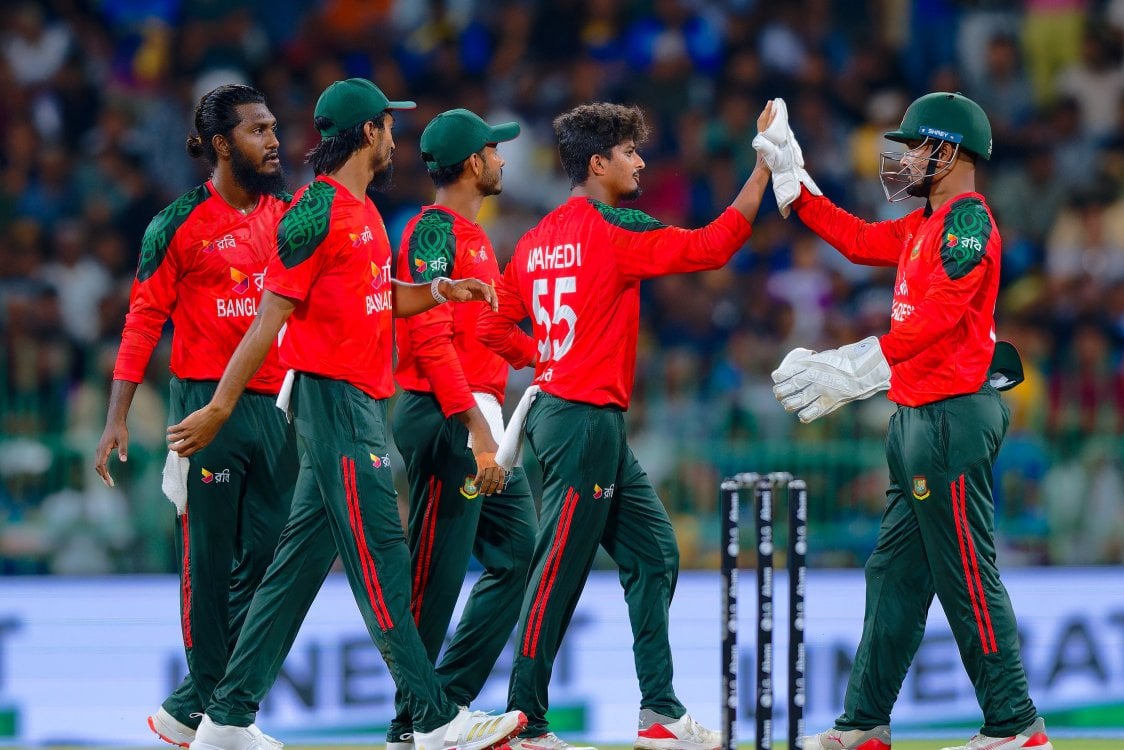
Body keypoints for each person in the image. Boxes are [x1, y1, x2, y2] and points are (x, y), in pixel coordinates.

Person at [164, 78, 526, 750]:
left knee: (296, 569)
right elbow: (268, 318)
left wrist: (440, 289)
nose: (395, 139)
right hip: (334, 402)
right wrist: (218, 407)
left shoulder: (362, 213)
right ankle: (434, 718)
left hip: (358, 401)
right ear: (368, 132)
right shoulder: (315, 213)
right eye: (389, 126)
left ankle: (225, 717)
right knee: (383, 560)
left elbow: (377, 299)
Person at [758, 93, 1053, 750]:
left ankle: (1015, 727)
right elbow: (858, 239)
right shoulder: (924, 224)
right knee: (893, 575)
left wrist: (858, 368)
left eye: (918, 146)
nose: (907, 159)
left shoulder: (967, 221)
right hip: (918, 417)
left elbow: (942, 315)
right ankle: (864, 724)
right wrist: (795, 184)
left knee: (966, 572)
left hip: (951, 416)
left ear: (949, 151)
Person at [476, 101, 773, 750]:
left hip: (571, 414)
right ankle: (524, 723)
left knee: (655, 553)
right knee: (557, 569)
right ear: (597, 163)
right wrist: (761, 172)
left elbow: (490, 324)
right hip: (582, 420)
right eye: (629, 152)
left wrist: (542, 359)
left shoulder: (535, 238)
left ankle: (659, 713)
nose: (640, 162)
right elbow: (712, 247)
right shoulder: (614, 228)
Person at [94, 83, 296, 748]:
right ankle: (219, 717)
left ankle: (192, 707)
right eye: (258, 130)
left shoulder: (289, 216)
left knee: (272, 556)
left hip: (278, 404)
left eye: (273, 128)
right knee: (206, 562)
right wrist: (117, 416)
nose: (274, 141)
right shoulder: (175, 223)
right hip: (204, 409)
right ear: (220, 145)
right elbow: (142, 319)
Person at [386, 108, 537, 750]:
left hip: (476, 413)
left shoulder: (471, 236)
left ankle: (443, 703)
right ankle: (412, 723)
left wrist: (545, 357)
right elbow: (427, 338)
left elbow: (485, 333)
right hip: (448, 415)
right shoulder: (431, 231)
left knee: (518, 550)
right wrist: (474, 426)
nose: (502, 159)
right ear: (474, 163)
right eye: (494, 151)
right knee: (435, 572)